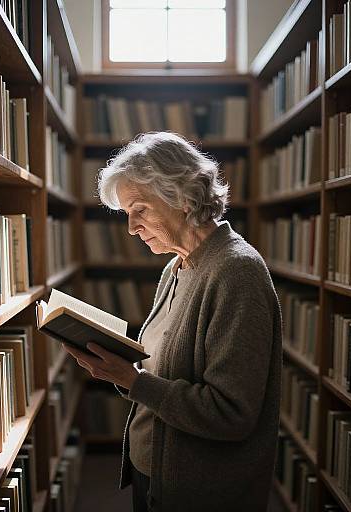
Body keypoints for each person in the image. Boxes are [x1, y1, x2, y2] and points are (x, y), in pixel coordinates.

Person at [62, 132, 283, 511]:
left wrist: (133, 381)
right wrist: (120, 369)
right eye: (126, 214)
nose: (131, 228)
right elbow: (161, 371)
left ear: (182, 197)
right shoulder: (177, 264)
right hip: (154, 475)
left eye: (140, 210)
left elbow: (231, 414)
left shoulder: (236, 272)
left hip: (201, 492)